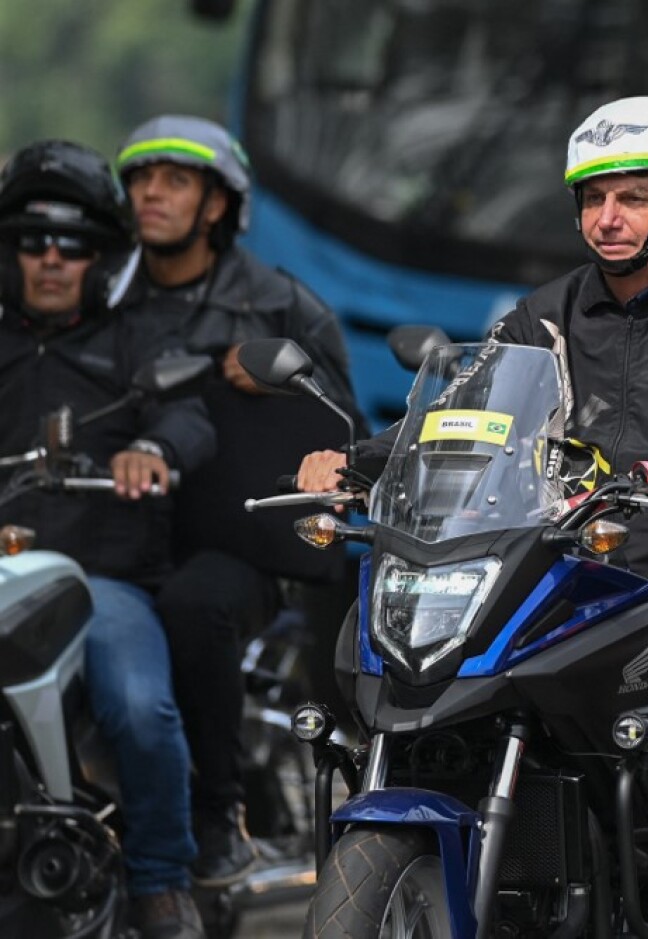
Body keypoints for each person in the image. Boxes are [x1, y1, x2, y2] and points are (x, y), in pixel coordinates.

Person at [297, 95, 648, 939]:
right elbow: (457, 415)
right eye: (591, 198)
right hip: (566, 580)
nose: (606, 217)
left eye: (629, 196)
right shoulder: (542, 313)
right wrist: (362, 463)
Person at [112, 114, 366, 887]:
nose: (152, 194)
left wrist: (285, 384)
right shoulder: (102, 292)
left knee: (196, 604)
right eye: (140, 179)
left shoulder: (277, 305)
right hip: (112, 535)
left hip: (237, 546)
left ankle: (218, 816)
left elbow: (345, 437)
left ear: (217, 204)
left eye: (176, 180)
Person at [0, 141, 217, 938]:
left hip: (100, 585)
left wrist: (152, 451)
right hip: (2, 576)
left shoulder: (137, 339)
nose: (51, 259)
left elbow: (187, 417)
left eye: (73, 245)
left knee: (139, 706)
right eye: (32, 241)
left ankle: (161, 879)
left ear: (100, 259)